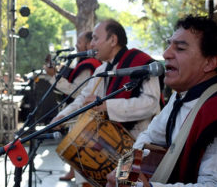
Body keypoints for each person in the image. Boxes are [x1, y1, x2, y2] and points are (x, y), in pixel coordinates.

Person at [107, 15, 217, 186]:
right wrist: (125, 170)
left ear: (210, 62)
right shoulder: (181, 96)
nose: (166, 53)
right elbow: (149, 136)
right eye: (169, 45)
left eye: (180, 48)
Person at [50, 19, 161, 187]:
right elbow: (83, 98)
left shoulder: (142, 63)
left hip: (137, 146)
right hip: (107, 145)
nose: (91, 44)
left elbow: (150, 104)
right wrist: (62, 116)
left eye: (95, 38)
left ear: (113, 40)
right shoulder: (102, 69)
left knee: (128, 185)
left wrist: (107, 106)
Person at [45, 31, 102, 183]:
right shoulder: (88, 64)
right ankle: (73, 173)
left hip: (82, 115)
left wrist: (53, 77)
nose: (76, 45)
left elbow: (76, 92)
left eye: (79, 41)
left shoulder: (89, 65)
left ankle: (79, 178)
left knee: (77, 149)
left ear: (89, 44)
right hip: (78, 112)